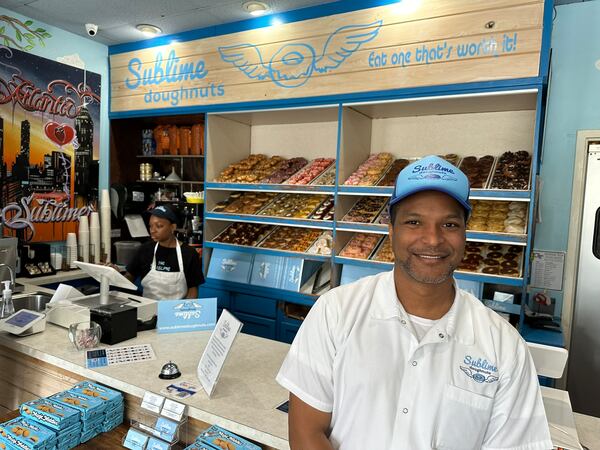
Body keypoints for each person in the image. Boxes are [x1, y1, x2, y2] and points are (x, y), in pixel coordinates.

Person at [276, 155, 552, 449]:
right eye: (413, 222)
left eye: (449, 224)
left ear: (464, 235)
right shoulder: (335, 313)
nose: (432, 239)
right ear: (391, 231)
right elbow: (308, 434)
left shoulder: (504, 346)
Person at [124, 204, 204, 300]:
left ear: (173, 227)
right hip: (147, 311)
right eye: (150, 226)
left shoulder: (189, 253)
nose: (153, 230)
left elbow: (192, 290)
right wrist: (113, 275)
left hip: (175, 312)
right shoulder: (145, 249)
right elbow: (129, 277)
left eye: (159, 226)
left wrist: (184, 311)